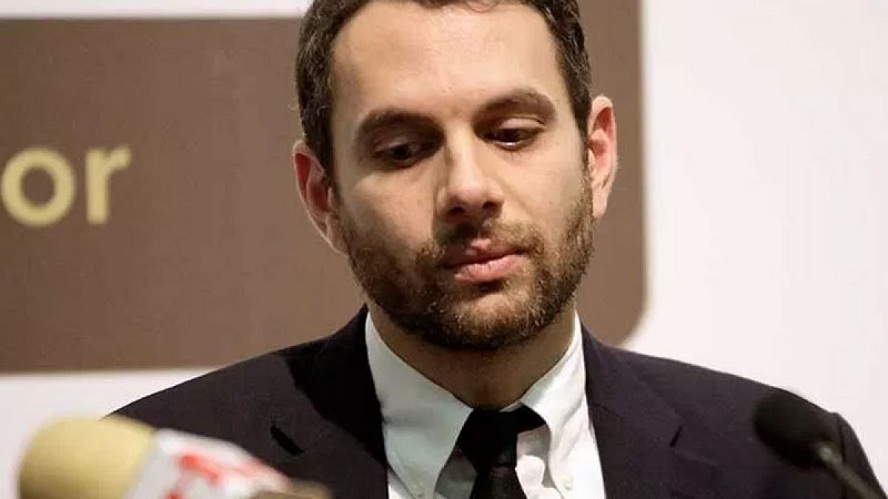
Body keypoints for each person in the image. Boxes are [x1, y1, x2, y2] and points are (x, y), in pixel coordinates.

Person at [116, 0, 884, 497]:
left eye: (511, 133)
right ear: (324, 197)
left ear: (597, 155)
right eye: (403, 148)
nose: (469, 187)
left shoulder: (790, 470)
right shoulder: (156, 472)